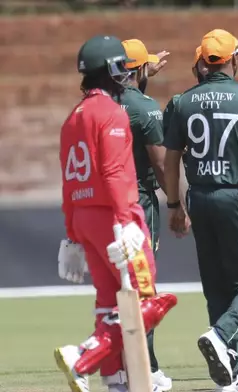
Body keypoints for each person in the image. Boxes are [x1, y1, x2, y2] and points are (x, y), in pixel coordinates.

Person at [54, 35, 176, 392]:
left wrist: (72, 235)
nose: (125, 75)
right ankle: (83, 356)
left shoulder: (72, 118)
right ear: (108, 71)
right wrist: (126, 223)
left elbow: (68, 181)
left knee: (108, 305)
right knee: (148, 301)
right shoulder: (111, 113)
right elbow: (114, 172)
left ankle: (117, 382)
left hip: (84, 218)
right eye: (121, 68)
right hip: (114, 217)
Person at [163, 29, 238, 391]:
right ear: (234, 59)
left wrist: (174, 204)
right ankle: (221, 337)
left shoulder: (183, 101)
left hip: (200, 197)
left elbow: (171, 160)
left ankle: (231, 370)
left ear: (202, 62)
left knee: (216, 287)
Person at [119, 38, 173, 391]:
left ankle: (121, 366)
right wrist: (177, 204)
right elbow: (159, 160)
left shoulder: (100, 104)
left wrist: (141, 76)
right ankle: (147, 369)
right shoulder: (145, 107)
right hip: (138, 204)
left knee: (118, 287)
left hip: (106, 204)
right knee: (143, 286)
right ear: (137, 70)